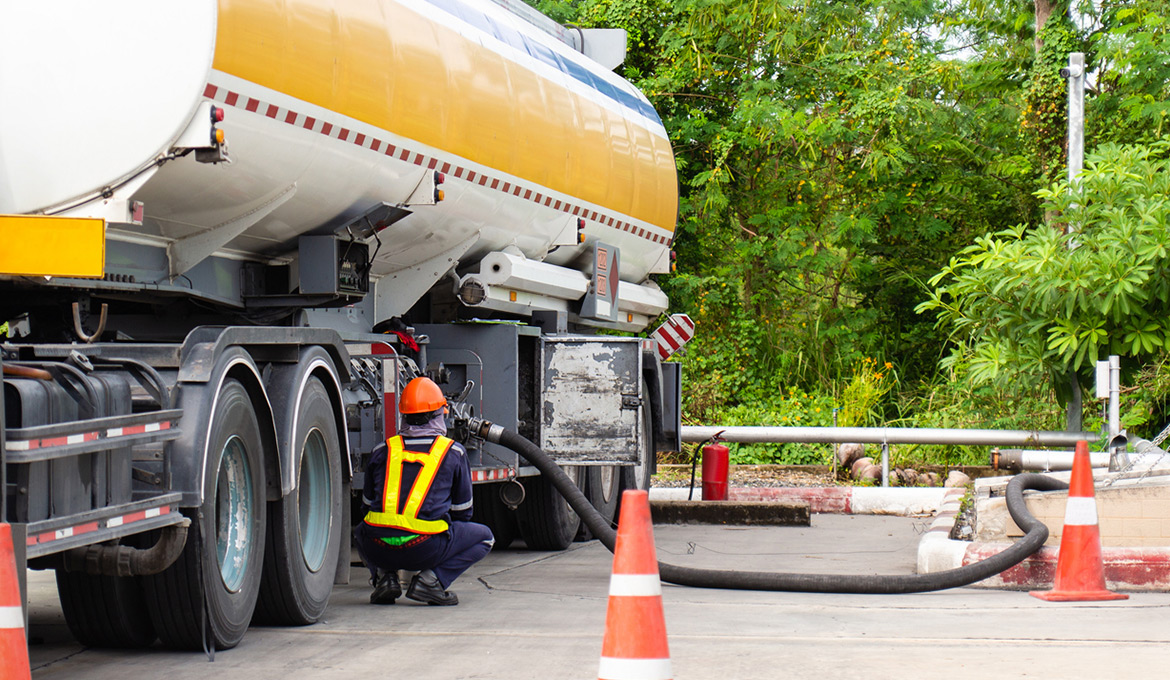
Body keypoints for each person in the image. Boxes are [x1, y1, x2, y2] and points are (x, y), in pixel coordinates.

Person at [354, 377, 494, 606]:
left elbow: (367, 507)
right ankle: (431, 582)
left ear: (404, 415)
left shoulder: (382, 450)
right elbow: (463, 513)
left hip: (377, 548)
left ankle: (384, 579)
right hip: (426, 549)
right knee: (485, 537)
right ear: (440, 414)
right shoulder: (453, 453)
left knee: (362, 530)